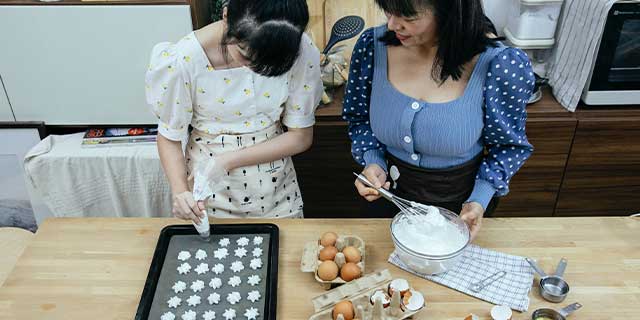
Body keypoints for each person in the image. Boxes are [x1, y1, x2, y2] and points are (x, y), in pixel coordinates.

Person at [343, 0, 535, 240]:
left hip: (460, 210)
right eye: (388, 11)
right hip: (386, 203)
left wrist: (479, 199)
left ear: (449, 10)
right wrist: (374, 162)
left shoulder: (498, 64)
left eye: (408, 16)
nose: (392, 24)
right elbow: (358, 118)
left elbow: (508, 147)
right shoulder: (371, 46)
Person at [145, 0, 322, 223]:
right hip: (207, 189)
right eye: (247, 55)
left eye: (270, 64)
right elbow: (170, 136)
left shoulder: (297, 48)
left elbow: (300, 137)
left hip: (276, 191)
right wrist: (181, 192)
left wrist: (226, 161)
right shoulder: (183, 59)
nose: (256, 68)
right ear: (226, 16)